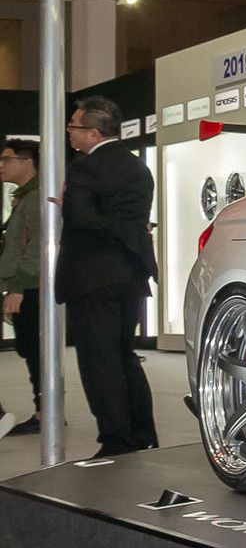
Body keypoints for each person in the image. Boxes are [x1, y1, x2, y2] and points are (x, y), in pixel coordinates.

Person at [56, 96, 158, 458]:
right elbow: (127, 219)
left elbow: (83, 220)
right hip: (131, 273)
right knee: (124, 355)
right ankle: (142, 432)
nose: (69, 132)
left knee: (100, 361)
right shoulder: (138, 167)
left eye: (74, 126)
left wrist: (67, 205)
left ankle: (116, 439)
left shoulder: (84, 168)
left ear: (93, 133)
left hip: (92, 276)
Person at [0, 138, 43, 438]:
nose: (2, 166)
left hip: (31, 287)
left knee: (35, 350)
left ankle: (46, 412)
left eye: (7, 159)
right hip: (24, 285)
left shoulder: (35, 199)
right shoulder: (23, 198)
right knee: (29, 349)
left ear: (27, 162)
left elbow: (37, 247)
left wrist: (18, 288)